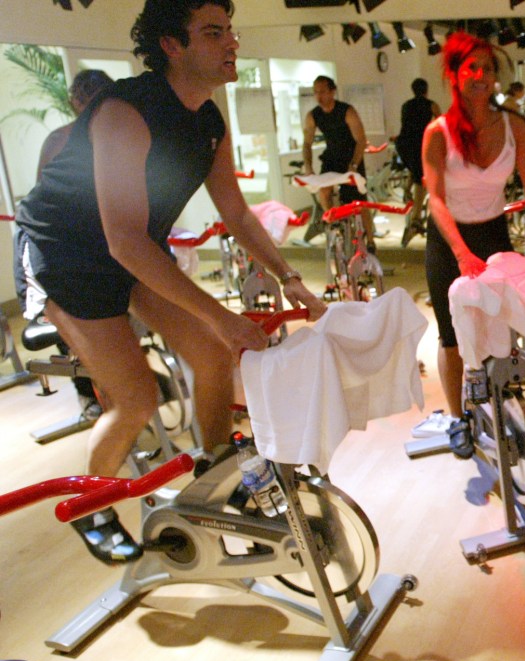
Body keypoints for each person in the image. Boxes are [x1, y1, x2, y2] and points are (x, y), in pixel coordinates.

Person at [14, 0, 326, 564]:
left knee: (212, 354)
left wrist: (289, 277)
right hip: (66, 255)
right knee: (135, 398)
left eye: (230, 30)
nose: (232, 42)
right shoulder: (125, 112)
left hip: (131, 245)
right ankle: (91, 508)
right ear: (171, 46)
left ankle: (215, 483)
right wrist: (223, 315)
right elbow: (123, 242)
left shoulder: (208, 121)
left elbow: (236, 212)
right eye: (213, 32)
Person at [420, 32, 525, 435]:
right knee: (451, 337)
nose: (481, 76)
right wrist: (461, 253)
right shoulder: (438, 132)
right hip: (448, 242)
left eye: (488, 68)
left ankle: (502, 400)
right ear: (454, 75)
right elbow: (435, 199)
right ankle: (457, 419)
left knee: (500, 328)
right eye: (472, 68)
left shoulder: (513, 126)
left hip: (494, 236)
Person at [13, 69, 114, 421]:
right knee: (71, 310)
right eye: (86, 101)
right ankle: (88, 393)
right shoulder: (60, 141)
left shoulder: (115, 135)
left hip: (96, 244)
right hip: (53, 246)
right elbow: (44, 206)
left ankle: (125, 383)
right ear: (75, 103)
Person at [300, 75, 369, 244]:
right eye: (316, 92)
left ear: (332, 92)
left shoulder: (347, 111)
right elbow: (307, 143)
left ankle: (371, 240)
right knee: (324, 191)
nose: (319, 96)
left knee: (359, 201)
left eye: (323, 92)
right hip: (331, 157)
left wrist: (354, 164)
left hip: (351, 157)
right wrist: (308, 166)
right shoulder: (313, 115)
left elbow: (361, 140)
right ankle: (335, 223)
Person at [393, 77, 440, 228]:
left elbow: (405, 124)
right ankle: (416, 217)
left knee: (414, 169)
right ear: (426, 90)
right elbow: (440, 124)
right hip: (420, 143)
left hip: (403, 144)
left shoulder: (405, 105)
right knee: (420, 179)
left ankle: (407, 190)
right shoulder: (431, 105)